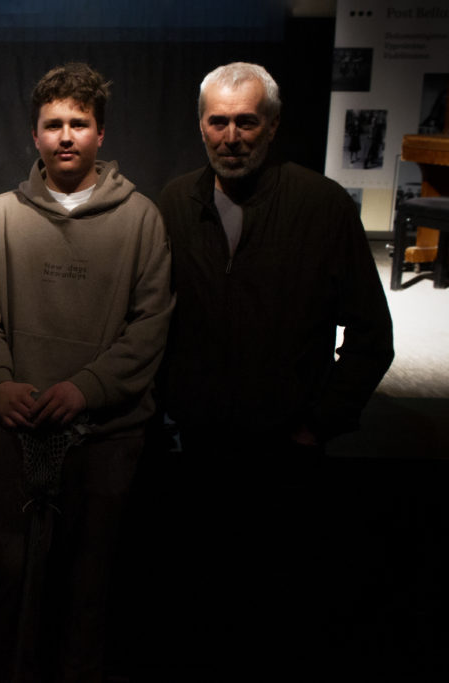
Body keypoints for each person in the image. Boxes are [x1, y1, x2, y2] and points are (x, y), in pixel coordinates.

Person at [156, 62, 394, 674]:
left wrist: (319, 424)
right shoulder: (175, 202)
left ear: (273, 125)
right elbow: (152, 320)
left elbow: (372, 335)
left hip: (286, 454)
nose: (231, 137)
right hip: (198, 451)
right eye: (218, 122)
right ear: (201, 126)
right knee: (199, 608)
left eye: (246, 122)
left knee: (279, 614)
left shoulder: (322, 206)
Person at [0, 63, 173, 682]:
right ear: (35, 135)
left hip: (105, 440)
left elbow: (150, 327)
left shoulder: (142, 220)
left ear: (101, 134)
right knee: (12, 585)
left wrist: (86, 390)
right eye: (53, 124)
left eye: (79, 123)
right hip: (12, 437)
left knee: (88, 593)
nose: (66, 135)